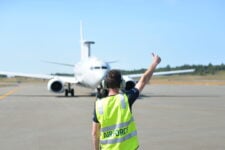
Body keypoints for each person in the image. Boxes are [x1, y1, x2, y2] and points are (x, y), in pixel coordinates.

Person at [92, 53, 161, 150]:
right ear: (122, 83)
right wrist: (154, 63)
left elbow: (95, 133)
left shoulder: (98, 105)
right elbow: (143, 80)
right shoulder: (126, 99)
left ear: (105, 84)